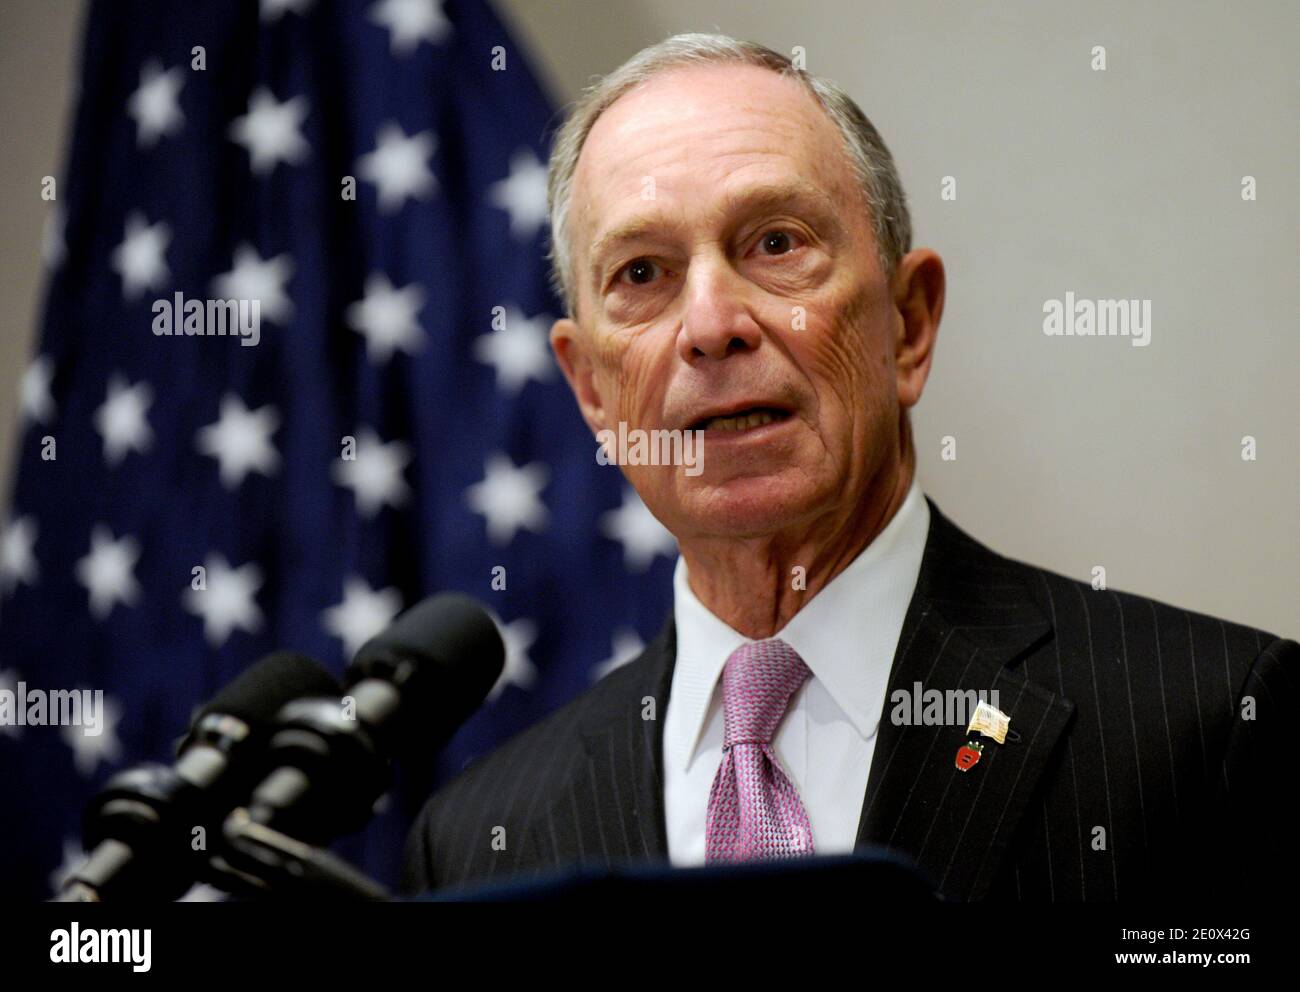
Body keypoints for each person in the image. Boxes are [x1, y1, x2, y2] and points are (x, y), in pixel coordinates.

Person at [402, 33, 1297, 901]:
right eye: (642, 271)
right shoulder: (483, 840)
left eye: (776, 244)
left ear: (908, 324)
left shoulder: (1210, 725)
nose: (712, 324)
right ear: (593, 390)